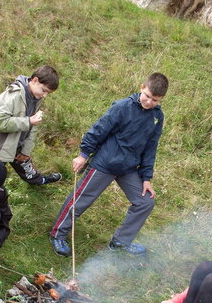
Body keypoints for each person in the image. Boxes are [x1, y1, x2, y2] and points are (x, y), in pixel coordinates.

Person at [50, 72, 169, 257]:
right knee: (81, 200)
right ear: (141, 88)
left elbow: (150, 147)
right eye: (147, 96)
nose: (148, 102)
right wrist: (83, 154)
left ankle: (121, 241)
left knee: (145, 202)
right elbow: (99, 129)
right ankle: (58, 234)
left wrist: (146, 178)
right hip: (105, 163)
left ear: (161, 99)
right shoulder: (123, 107)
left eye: (154, 100)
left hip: (129, 168)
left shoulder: (157, 117)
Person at [0, 64, 62, 185]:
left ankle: (39, 180)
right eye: (44, 91)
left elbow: (33, 127)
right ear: (35, 80)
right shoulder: (12, 95)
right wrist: (28, 121)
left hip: (18, 146)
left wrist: (26, 151)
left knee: (28, 170)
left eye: (48, 93)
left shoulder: (36, 98)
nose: (45, 95)